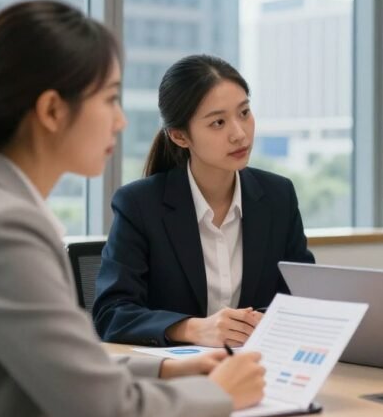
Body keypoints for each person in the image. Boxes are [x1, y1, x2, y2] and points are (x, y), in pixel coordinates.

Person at [0, 0, 264, 417]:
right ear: (53, 111)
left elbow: (64, 371)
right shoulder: (6, 231)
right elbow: (109, 414)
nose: (122, 120)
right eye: (110, 98)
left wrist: (165, 371)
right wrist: (219, 393)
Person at [93, 54, 315, 347]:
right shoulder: (139, 204)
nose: (239, 134)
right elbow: (112, 314)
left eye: (244, 113)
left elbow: (302, 299)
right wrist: (193, 329)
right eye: (218, 122)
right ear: (180, 136)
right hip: (174, 379)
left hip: (256, 369)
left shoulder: (278, 196)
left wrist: (262, 322)